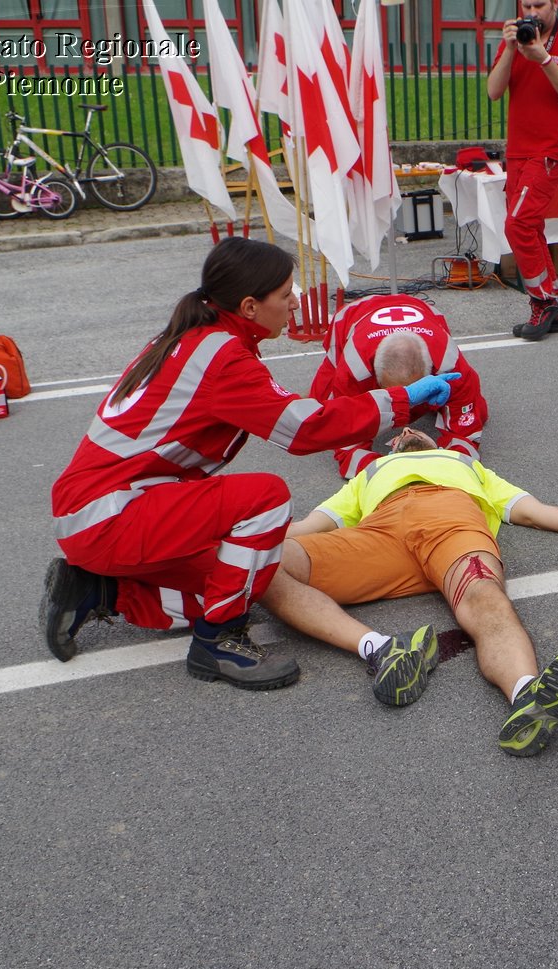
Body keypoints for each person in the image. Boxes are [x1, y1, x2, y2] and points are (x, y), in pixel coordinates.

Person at [41, 237, 458, 692]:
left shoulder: (197, 335)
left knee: (237, 583)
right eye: (285, 294)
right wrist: (402, 399)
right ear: (249, 306)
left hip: (102, 507)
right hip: (110, 514)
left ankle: (97, 590)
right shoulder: (223, 359)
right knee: (265, 499)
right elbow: (304, 430)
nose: (295, 302)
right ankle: (218, 642)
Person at [264, 427, 558, 756]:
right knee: (261, 564)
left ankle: (528, 696)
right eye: (400, 434)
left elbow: (534, 511)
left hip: (450, 521)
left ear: (436, 443)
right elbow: (306, 527)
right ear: (393, 446)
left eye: (416, 431)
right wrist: (229, 543)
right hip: (378, 535)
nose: (405, 432)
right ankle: (382, 649)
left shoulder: (466, 464)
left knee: (485, 597)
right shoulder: (368, 472)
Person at [486, 0, 558, 341]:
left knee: (517, 225)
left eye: (540, 4)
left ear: (555, 5)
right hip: (518, 150)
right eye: (527, 4)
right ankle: (553, 308)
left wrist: (543, 59)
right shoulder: (517, 39)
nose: (533, 11)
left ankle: (542, 302)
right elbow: (493, 92)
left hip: (550, 150)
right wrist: (509, 49)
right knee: (530, 226)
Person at [310, 293, 488, 479]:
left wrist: (447, 467)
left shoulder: (451, 365)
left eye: (414, 393)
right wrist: (388, 472)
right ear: (373, 377)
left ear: (432, 374)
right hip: (351, 317)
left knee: (478, 412)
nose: (409, 407)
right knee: (319, 417)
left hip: (422, 310)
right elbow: (347, 445)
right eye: (392, 393)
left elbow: (466, 435)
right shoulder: (353, 370)